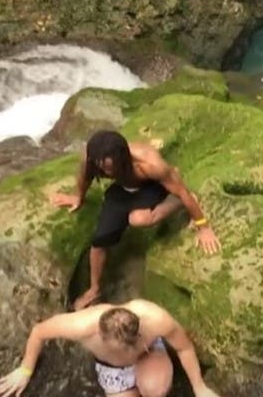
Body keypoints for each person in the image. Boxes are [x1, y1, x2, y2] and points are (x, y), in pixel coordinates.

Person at [0, 298, 230, 397]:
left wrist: (200, 389)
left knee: (155, 388)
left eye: (131, 345)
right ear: (101, 334)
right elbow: (39, 332)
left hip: (149, 357)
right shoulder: (81, 326)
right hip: (112, 371)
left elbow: (184, 348)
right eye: (120, 348)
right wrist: (24, 370)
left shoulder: (154, 319)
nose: (126, 352)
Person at [50, 130, 221, 310]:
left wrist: (203, 227)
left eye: (110, 168)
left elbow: (183, 191)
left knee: (138, 219)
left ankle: (175, 203)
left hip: (151, 186)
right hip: (123, 190)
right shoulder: (92, 158)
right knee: (99, 241)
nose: (106, 172)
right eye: (102, 168)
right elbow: (85, 176)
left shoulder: (149, 164)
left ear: (123, 158)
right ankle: (94, 289)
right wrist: (78, 197)